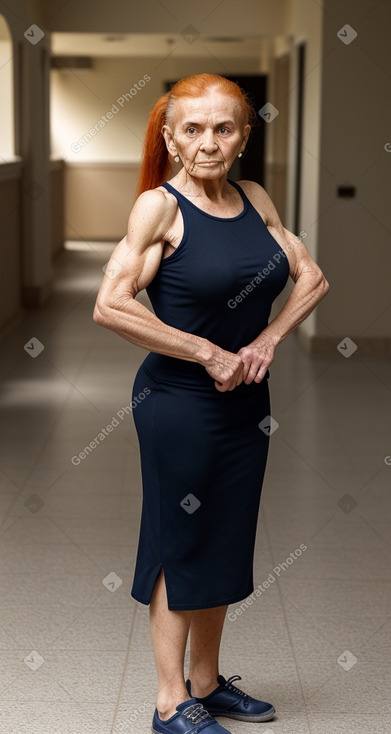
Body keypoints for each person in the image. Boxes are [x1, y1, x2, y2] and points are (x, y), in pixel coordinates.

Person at [93, 73, 329, 734]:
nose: (207, 142)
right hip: (179, 403)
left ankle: (206, 682)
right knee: (181, 539)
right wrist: (207, 353)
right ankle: (170, 702)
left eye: (223, 128)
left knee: (225, 535)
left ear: (244, 136)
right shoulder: (158, 209)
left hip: (245, 403)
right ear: (170, 136)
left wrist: (267, 340)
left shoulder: (254, 198)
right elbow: (108, 305)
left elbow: (311, 277)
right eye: (191, 129)